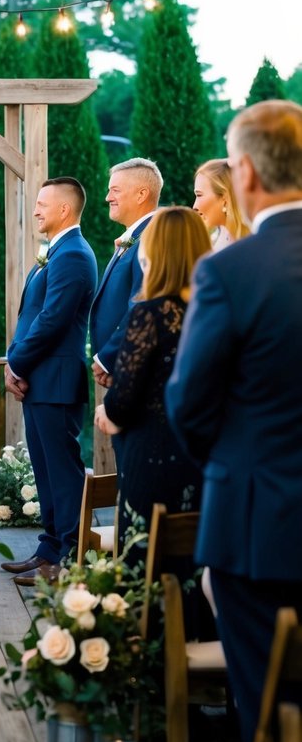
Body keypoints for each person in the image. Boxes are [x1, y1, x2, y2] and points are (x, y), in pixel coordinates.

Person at [167, 100, 302, 742]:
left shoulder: (228, 271)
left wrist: (230, 463)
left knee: (267, 711)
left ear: (243, 173)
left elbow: (189, 404)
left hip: (256, 528)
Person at [94, 208, 210, 555]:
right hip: (202, 449)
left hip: (155, 451)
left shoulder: (149, 313)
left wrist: (107, 411)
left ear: (157, 251)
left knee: (146, 555)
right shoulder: (213, 308)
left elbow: (125, 395)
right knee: (191, 550)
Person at [0, 178, 98, 587]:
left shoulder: (74, 255)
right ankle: (48, 550)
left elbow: (53, 320)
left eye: (42, 204)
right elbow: (32, 315)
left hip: (55, 379)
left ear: (64, 210)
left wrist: (15, 363)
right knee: (44, 470)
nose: (36, 210)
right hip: (42, 380)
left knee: (63, 472)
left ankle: (70, 557)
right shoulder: (57, 252)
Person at [90, 157, 163, 388]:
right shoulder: (134, 237)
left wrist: (107, 358)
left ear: (141, 194)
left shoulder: (151, 237)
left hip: (133, 369)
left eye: (115, 190)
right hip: (120, 367)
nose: (107, 197)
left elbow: (141, 304)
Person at [193, 157, 250, 249]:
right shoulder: (219, 237)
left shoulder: (245, 247)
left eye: (199, 195)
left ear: (225, 199)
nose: (194, 206)